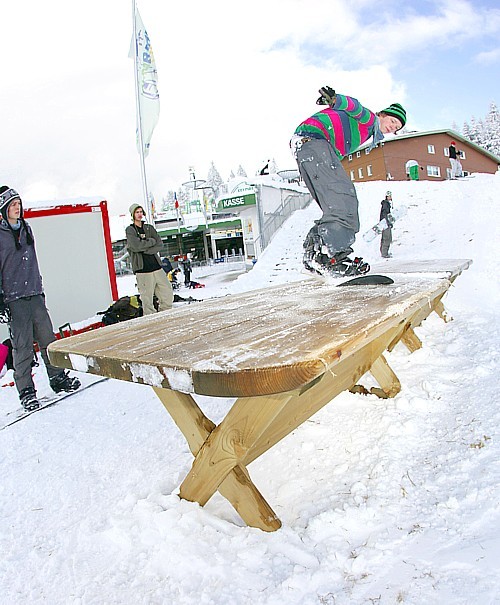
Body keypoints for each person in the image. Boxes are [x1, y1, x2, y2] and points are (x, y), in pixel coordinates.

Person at [291, 87, 406, 276]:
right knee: (344, 200)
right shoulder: (370, 120)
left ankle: (315, 253)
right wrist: (336, 100)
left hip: (307, 147)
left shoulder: (366, 133)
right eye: (393, 121)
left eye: (397, 128)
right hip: (315, 142)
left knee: (333, 204)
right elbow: (355, 107)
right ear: (382, 115)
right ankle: (335, 258)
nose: (393, 127)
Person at [0, 186, 81, 411]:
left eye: (19, 204)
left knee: (48, 340)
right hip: (14, 298)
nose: (17, 208)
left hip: (34, 293)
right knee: (22, 347)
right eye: (13, 205)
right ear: (4, 208)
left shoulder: (27, 229)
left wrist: (40, 288)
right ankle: (26, 391)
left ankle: (57, 378)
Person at [126, 204, 173, 315]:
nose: (139, 214)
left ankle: (165, 314)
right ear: (133, 214)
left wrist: (146, 249)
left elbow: (159, 244)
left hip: (156, 266)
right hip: (142, 269)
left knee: (167, 290)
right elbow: (135, 246)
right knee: (146, 298)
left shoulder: (149, 228)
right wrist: (151, 242)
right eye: (137, 212)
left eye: (141, 211)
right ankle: (150, 319)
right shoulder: (130, 230)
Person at [379, 191, 394, 258]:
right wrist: (388, 222)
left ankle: (383, 252)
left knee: (384, 238)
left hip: (384, 223)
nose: (391, 197)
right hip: (385, 223)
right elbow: (385, 213)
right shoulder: (386, 204)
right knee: (387, 238)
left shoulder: (386, 203)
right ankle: (385, 254)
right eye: (390, 196)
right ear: (387, 196)